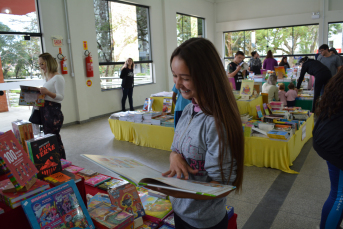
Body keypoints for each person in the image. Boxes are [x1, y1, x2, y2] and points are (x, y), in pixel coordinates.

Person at [150, 38, 244, 229]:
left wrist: (179, 191)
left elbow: (221, 187)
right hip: (180, 211)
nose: (177, 84)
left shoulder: (216, 123)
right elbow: (176, 148)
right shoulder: (189, 109)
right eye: (175, 76)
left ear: (206, 75)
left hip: (204, 222)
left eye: (184, 78)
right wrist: (174, 156)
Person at [313, 68, 343, 229]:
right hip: (336, 144)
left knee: (338, 192)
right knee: (340, 195)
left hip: (327, 137)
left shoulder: (337, 81)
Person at [38, 53, 66, 159]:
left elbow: (60, 97)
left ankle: (61, 161)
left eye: (42, 64)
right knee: (49, 139)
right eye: (39, 64)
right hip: (45, 111)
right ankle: (53, 161)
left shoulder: (58, 78)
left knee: (54, 139)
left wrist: (47, 92)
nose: (41, 67)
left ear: (48, 63)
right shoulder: (48, 78)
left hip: (53, 113)